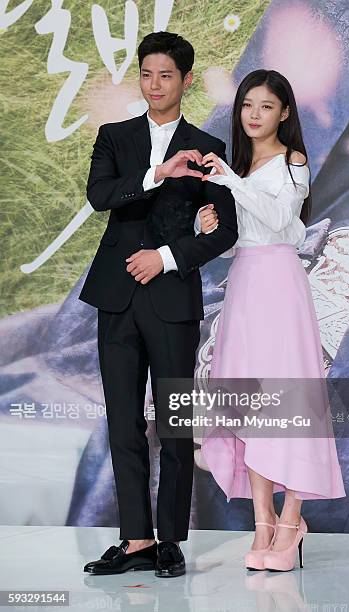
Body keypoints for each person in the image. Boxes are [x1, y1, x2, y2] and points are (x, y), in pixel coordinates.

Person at [78, 31, 238, 577]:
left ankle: (171, 540)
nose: (155, 84)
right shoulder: (115, 136)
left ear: (186, 80)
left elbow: (224, 232)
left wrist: (167, 257)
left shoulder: (209, 145)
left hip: (171, 298)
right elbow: (101, 195)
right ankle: (136, 539)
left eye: (166, 75)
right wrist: (157, 173)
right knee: (123, 422)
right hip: (117, 297)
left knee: (174, 424)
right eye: (147, 74)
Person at [198, 69, 346, 572]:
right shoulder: (238, 166)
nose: (254, 115)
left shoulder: (293, 160)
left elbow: (285, 222)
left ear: (284, 112)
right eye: (247, 105)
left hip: (281, 286)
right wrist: (209, 224)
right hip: (245, 285)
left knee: (288, 399)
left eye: (265, 106)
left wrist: (232, 183)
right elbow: (240, 239)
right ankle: (263, 523)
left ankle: (292, 523)